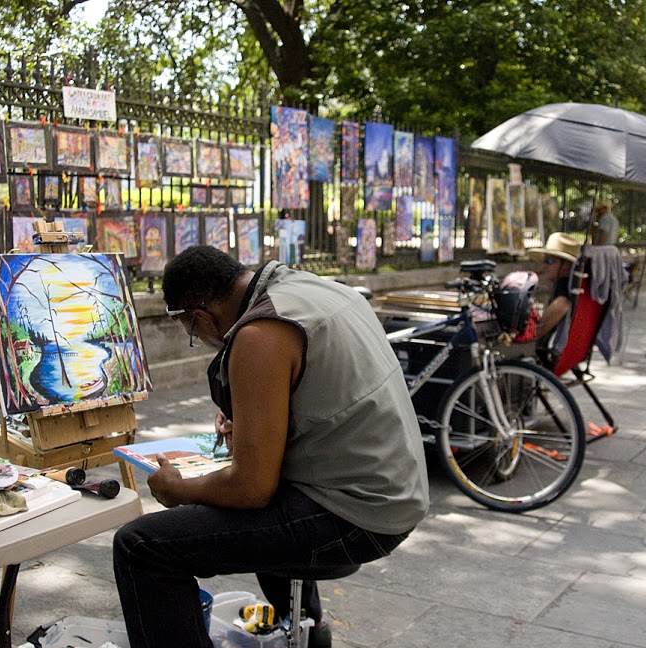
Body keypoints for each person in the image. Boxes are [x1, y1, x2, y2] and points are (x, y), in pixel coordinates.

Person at [113, 246, 430, 648]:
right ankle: (312, 633)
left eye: (195, 335)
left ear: (199, 318)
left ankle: (308, 629)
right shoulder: (308, 288)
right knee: (260, 520)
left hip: (358, 513)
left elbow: (250, 488)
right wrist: (250, 418)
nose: (202, 340)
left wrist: (177, 490)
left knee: (141, 546)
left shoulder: (259, 334)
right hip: (396, 491)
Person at [527, 232, 582, 363]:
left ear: (567, 265)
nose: (544, 266)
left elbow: (561, 306)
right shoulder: (573, 285)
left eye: (549, 261)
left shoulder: (565, 289)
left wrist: (533, 334)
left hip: (548, 354)